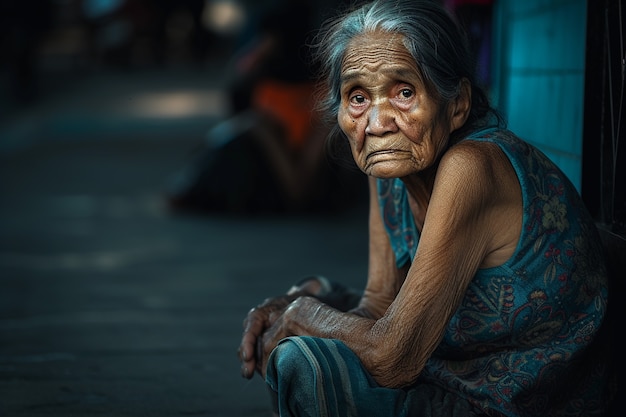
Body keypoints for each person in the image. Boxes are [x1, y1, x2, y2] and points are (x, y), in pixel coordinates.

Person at [237, 0, 613, 415]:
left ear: (456, 106)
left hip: (517, 404)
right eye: (358, 97)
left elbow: (395, 359)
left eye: (403, 92)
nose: (377, 124)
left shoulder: (472, 166)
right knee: (306, 308)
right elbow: (380, 302)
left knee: (303, 359)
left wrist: (304, 316)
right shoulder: (391, 165)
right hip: (449, 373)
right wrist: (299, 312)